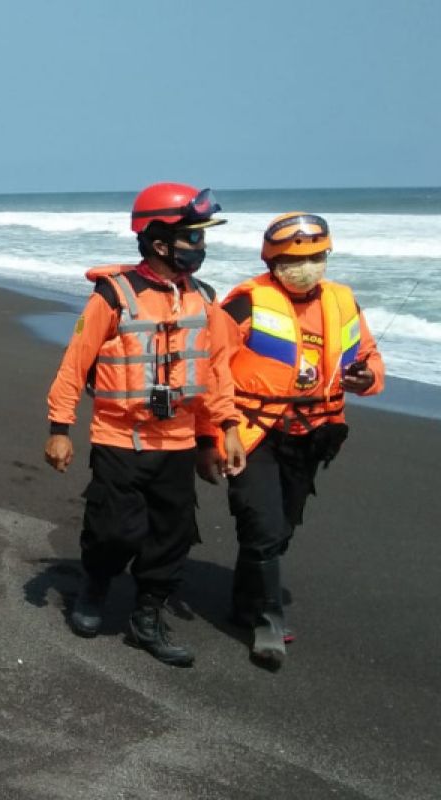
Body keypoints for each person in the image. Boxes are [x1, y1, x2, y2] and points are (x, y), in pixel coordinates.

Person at [43, 182, 246, 668]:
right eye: (192, 236)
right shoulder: (113, 297)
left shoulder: (204, 300)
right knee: (114, 531)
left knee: (171, 537)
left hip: (177, 442)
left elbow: (216, 371)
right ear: (159, 242)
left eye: (201, 237)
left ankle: (147, 617)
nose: (200, 246)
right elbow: (76, 362)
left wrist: (225, 431)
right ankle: (94, 586)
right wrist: (59, 428)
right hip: (119, 439)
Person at [200, 212, 385, 670]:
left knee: (280, 531)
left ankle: (244, 602)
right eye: (290, 260)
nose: (304, 267)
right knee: (261, 525)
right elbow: (210, 367)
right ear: (271, 260)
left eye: (315, 258)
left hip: (312, 436)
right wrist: (211, 435)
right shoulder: (246, 303)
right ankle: (267, 621)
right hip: (252, 433)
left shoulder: (343, 301)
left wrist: (367, 378)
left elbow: (370, 357)